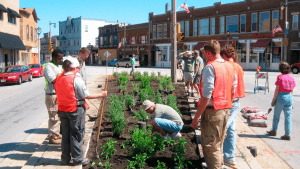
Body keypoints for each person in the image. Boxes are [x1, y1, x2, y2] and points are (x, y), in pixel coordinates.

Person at [55, 56, 107, 166]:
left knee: (65, 134)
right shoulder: (75, 79)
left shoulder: (59, 78)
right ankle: (78, 159)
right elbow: (85, 95)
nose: (79, 69)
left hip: (62, 110)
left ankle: (65, 159)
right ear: (73, 67)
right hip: (75, 109)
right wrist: (101, 94)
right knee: (76, 133)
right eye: (78, 67)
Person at [191, 40, 235, 169]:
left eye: (204, 53)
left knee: (211, 147)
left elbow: (206, 95)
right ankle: (218, 165)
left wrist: (196, 117)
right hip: (225, 110)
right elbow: (233, 89)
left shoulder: (210, 67)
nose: (203, 56)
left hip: (213, 112)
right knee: (219, 144)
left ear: (209, 53)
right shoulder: (229, 66)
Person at [220, 45, 246, 167]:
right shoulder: (238, 67)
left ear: (224, 55)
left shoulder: (226, 67)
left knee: (224, 127)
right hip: (235, 101)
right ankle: (229, 157)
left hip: (228, 101)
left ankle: (219, 154)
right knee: (231, 129)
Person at [267, 61, 296, 141]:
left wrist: (274, 100)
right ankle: (287, 134)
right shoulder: (291, 77)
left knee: (276, 115)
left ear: (281, 69)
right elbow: (292, 90)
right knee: (288, 117)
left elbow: (277, 89)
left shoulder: (280, 77)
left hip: (281, 97)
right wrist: (290, 98)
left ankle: (274, 130)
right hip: (289, 97)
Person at [43, 49, 64, 144]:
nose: (61, 60)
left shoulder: (57, 66)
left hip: (57, 94)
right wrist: (64, 76)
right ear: (54, 57)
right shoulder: (48, 67)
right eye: (60, 58)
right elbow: (52, 80)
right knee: (53, 116)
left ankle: (56, 134)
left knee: (58, 116)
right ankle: (52, 137)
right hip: (52, 94)